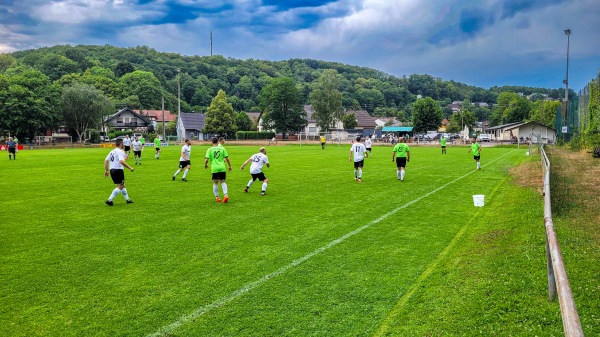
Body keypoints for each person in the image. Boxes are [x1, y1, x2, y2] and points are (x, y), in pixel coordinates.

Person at [104, 138, 134, 206]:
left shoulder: (112, 151)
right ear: (121, 144)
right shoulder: (120, 152)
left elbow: (106, 161)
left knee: (122, 185)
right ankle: (109, 200)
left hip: (112, 170)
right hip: (118, 170)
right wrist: (130, 168)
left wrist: (106, 170)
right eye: (123, 143)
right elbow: (121, 161)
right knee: (120, 186)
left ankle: (128, 200)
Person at [205, 137, 233, 203]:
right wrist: (230, 166)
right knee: (223, 181)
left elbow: (206, 159)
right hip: (222, 167)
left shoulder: (210, 149)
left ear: (212, 142)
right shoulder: (222, 148)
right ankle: (226, 195)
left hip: (214, 168)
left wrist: (205, 165)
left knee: (215, 182)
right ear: (218, 142)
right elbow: (227, 158)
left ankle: (217, 197)